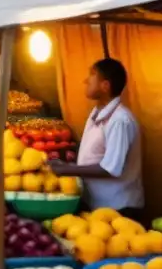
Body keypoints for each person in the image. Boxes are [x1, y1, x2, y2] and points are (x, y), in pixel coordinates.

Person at [49, 58, 144, 222]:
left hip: (119, 209)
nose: (86, 80)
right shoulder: (96, 113)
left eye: (92, 75)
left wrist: (67, 169)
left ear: (105, 86)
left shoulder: (120, 120)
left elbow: (110, 169)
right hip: (98, 205)